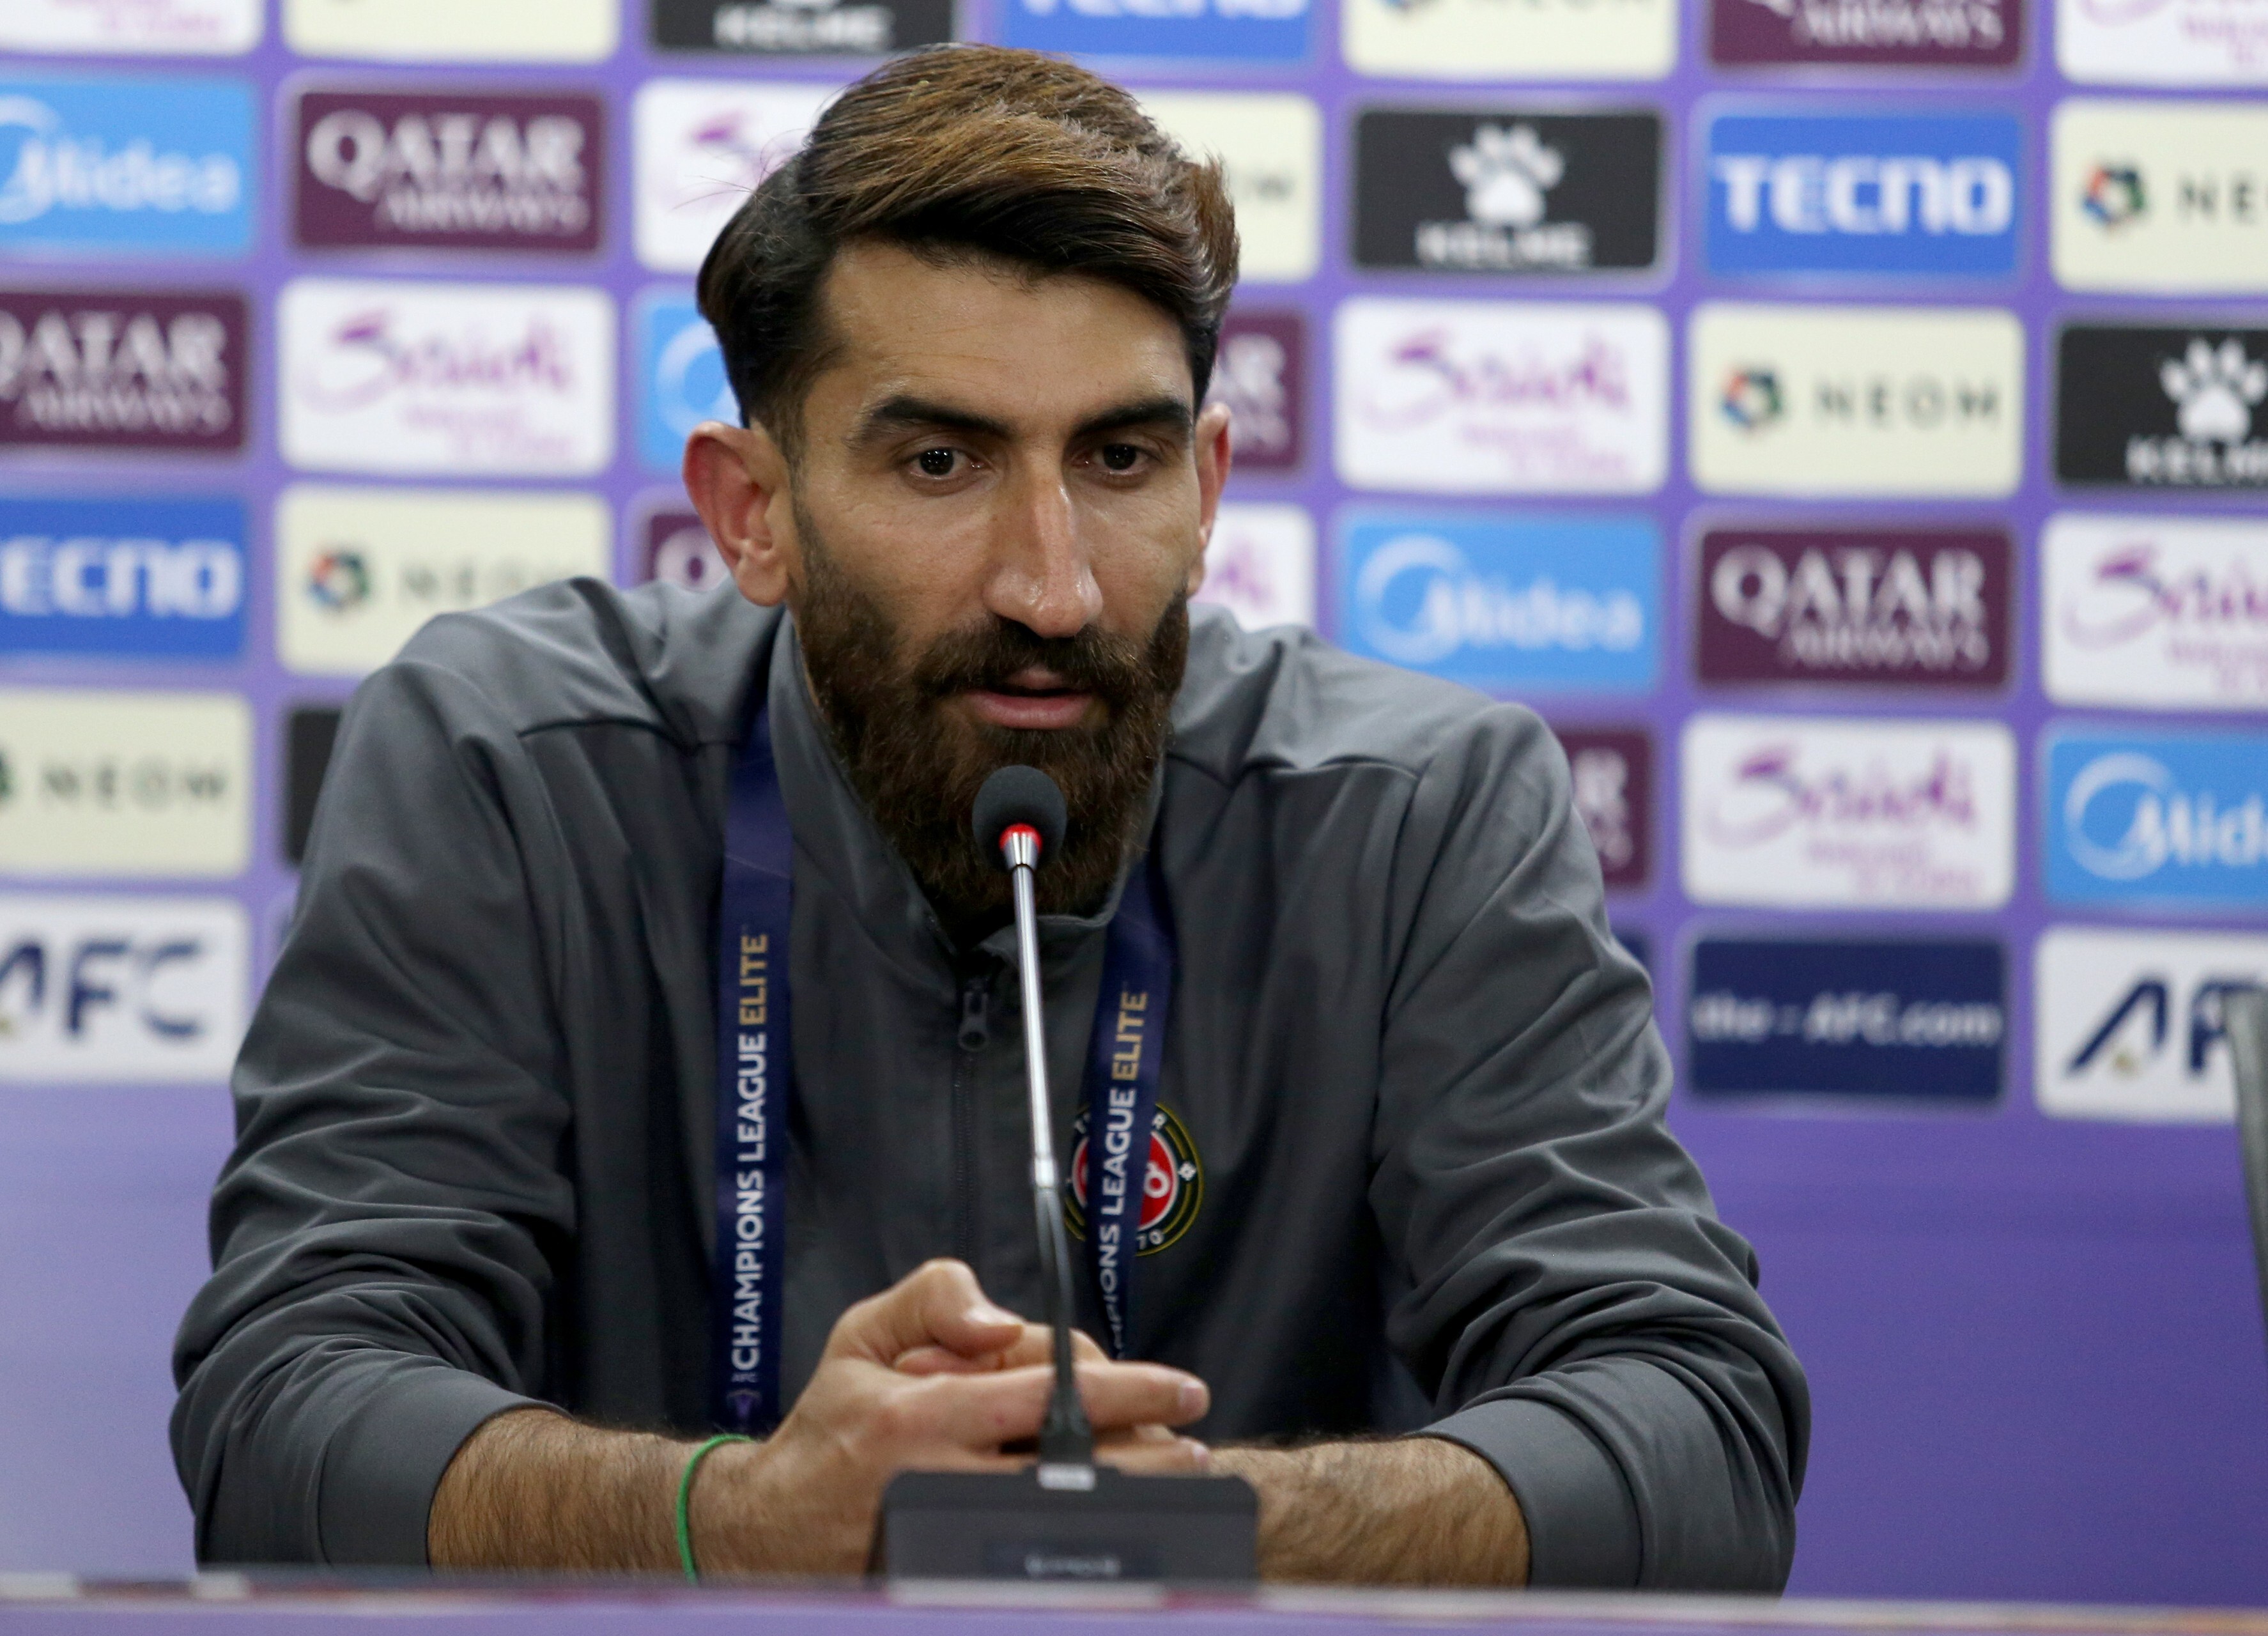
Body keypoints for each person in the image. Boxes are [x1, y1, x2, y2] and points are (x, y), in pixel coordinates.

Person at [173, 45, 1807, 1587]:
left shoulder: (1416, 817)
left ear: (1208, 488)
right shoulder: (511, 767)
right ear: (753, 512)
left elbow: (1698, 1431)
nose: (1051, 586)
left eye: (1117, 458)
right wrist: (730, 1518)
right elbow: (285, 1407)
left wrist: (1209, 1525)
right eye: (941, 464)